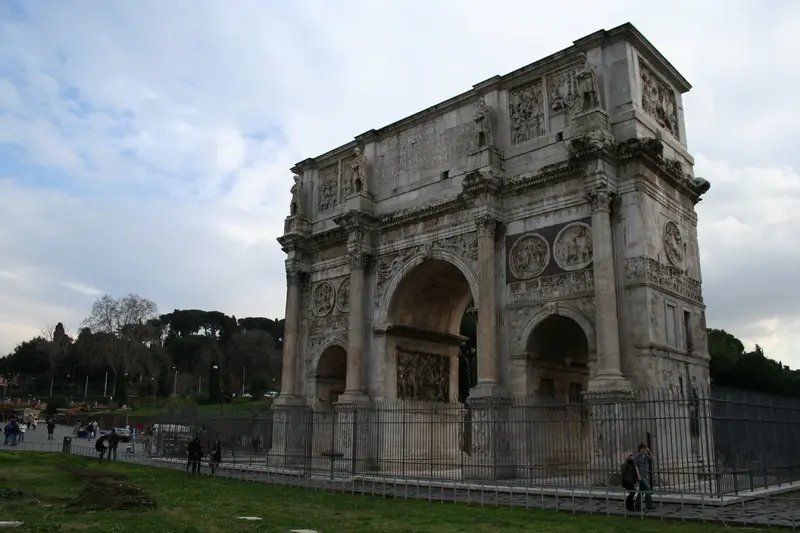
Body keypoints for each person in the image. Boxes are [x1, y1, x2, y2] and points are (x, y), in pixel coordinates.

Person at [634, 444, 656, 511]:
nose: (645, 449)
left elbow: (653, 459)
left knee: (642, 491)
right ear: (641, 449)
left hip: (645, 474)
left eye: (645, 448)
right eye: (644, 448)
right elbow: (635, 466)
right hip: (640, 475)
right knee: (648, 488)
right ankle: (649, 505)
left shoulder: (645, 455)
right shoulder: (637, 456)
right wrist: (638, 475)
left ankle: (637, 506)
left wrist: (650, 452)